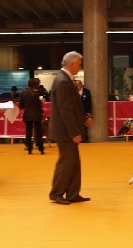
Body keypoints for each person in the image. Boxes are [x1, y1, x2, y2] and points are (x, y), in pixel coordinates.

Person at [48, 51, 94, 205]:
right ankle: (56, 193)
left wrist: (83, 119)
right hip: (65, 132)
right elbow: (65, 110)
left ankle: (73, 193)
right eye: (79, 64)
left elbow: (72, 107)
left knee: (73, 161)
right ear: (72, 63)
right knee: (67, 161)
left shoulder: (65, 80)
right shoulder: (62, 81)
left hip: (66, 130)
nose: (80, 67)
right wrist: (74, 132)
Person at [19, 78, 45, 155]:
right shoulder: (37, 94)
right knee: (38, 132)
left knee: (28, 132)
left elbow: (21, 106)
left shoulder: (24, 94)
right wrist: (42, 103)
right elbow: (39, 106)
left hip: (27, 115)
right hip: (37, 115)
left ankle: (29, 149)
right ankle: (41, 149)